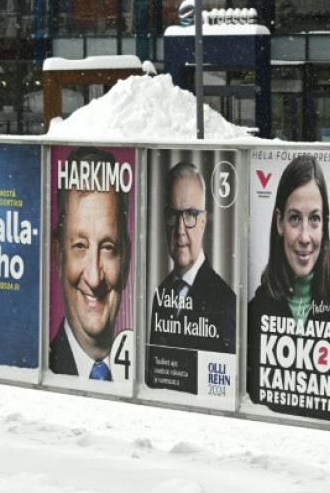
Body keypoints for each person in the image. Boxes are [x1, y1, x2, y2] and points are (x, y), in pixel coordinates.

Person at [246, 154, 330, 420]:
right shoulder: (255, 311)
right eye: (294, 219)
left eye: (314, 219)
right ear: (279, 222)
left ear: (324, 225)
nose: (305, 237)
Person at [147, 161, 236, 387]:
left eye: (190, 215)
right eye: (174, 215)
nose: (180, 230)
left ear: (204, 221)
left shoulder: (225, 300)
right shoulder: (161, 293)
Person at [50, 147, 131, 381]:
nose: (94, 278)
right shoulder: (40, 366)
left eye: (108, 248)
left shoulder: (148, 372)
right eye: (80, 246)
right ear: (58, 255)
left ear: (126, 259)